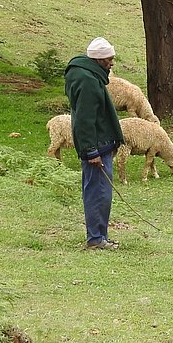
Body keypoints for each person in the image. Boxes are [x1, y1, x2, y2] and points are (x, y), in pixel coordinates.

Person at [65, 37, 125, 250]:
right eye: (109, 59)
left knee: (99, 190)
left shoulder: (86, 73)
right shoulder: (89, 82)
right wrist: (91, 151)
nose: (112, 63)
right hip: (97, 145)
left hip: (100, 142)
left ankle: (100, 236)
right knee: (99, 192)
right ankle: (96, 238)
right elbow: (85, 119)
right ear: (98, 60)